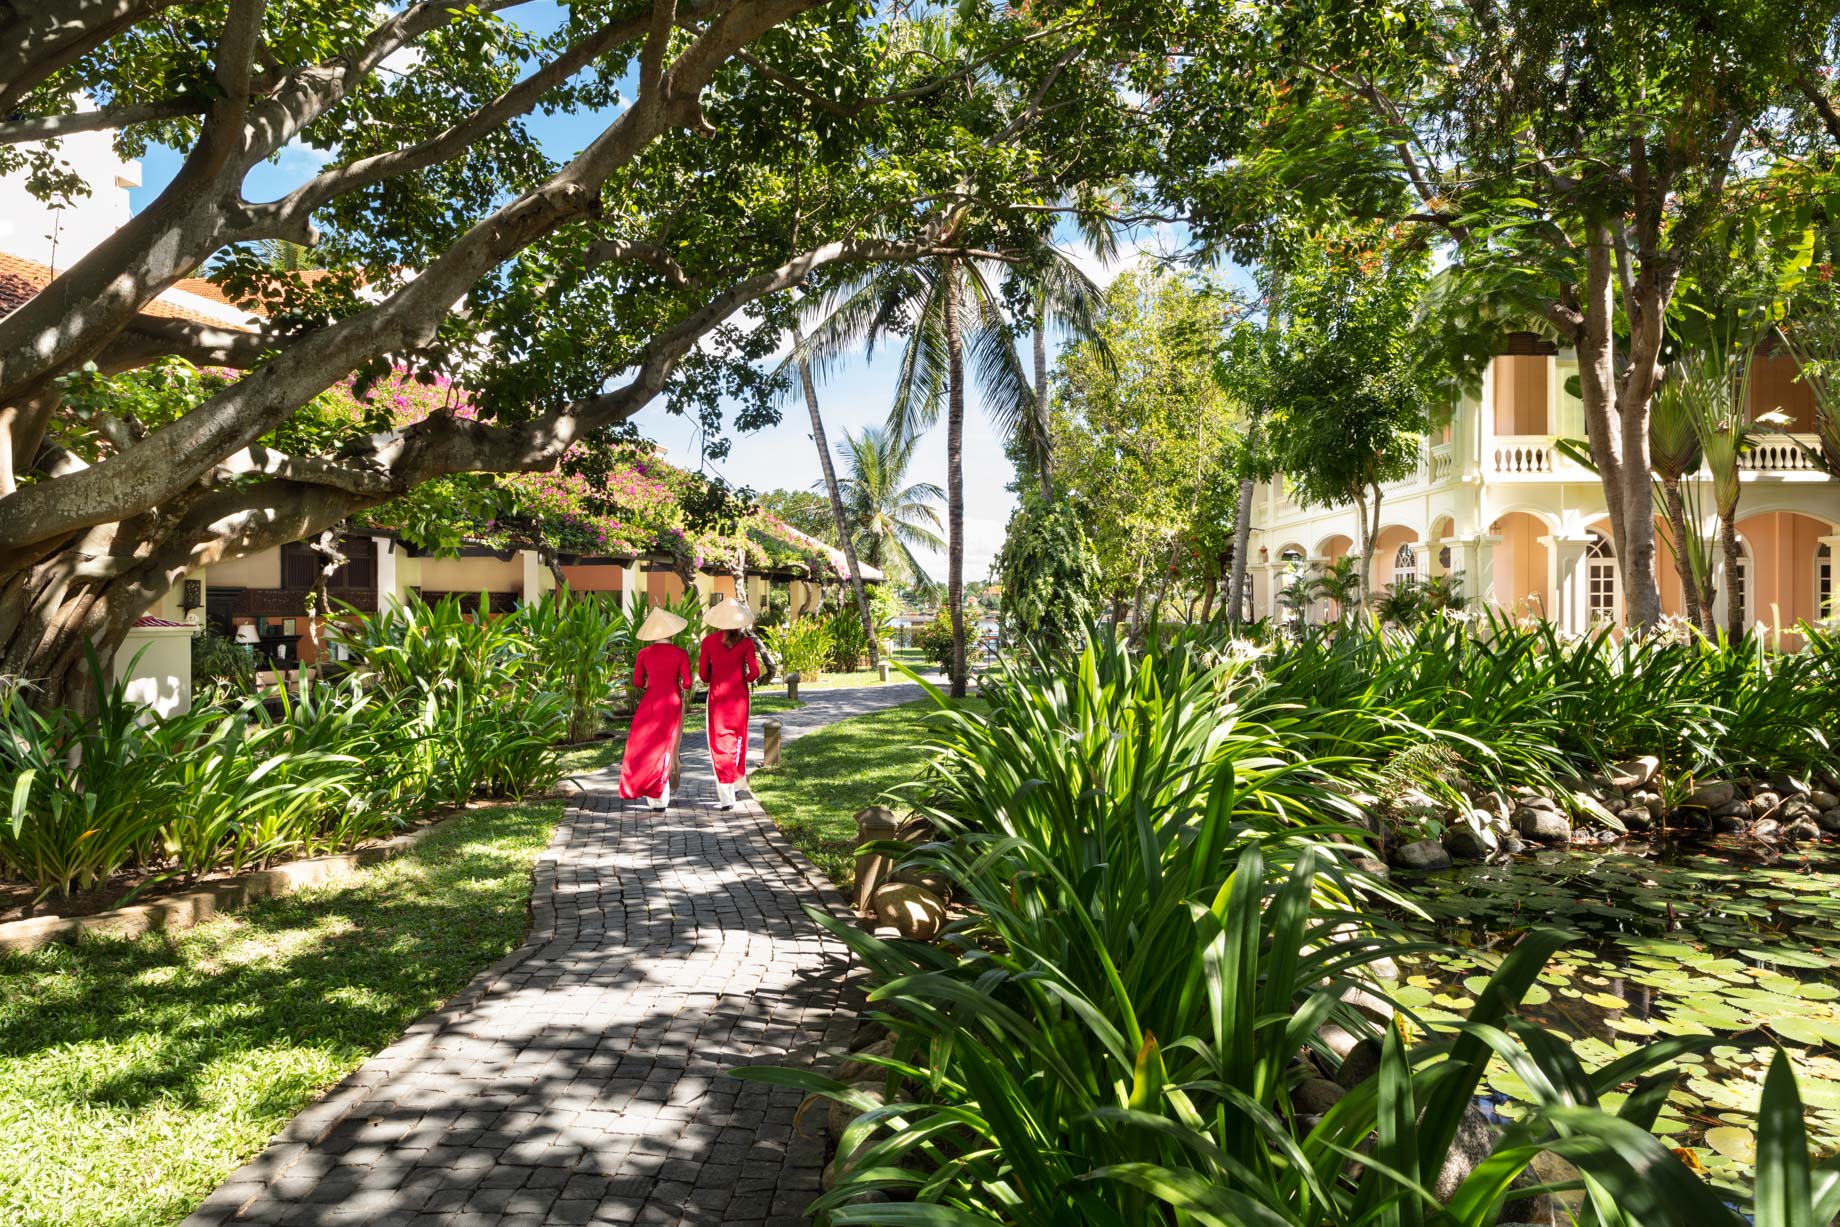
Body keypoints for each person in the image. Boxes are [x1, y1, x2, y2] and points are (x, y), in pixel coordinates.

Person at [617, 605, 692, 811]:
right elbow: (687, 683)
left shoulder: (644, 653)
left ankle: (653, 796)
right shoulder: (680, 653)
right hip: (671, 703)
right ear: (671, 631)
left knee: (646, 748)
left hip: (650, 703)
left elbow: (638, 683)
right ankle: (660, 795)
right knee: (666, 747)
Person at [699, 596, 760, 809]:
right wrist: (743, 676)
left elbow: (703, 676)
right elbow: (754, 673)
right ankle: (734, 783)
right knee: (737, 741)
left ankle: (726, 794)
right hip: (739, 698)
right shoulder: (746, 643)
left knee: (719, 743)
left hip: (717, 698)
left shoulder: (707, 642)